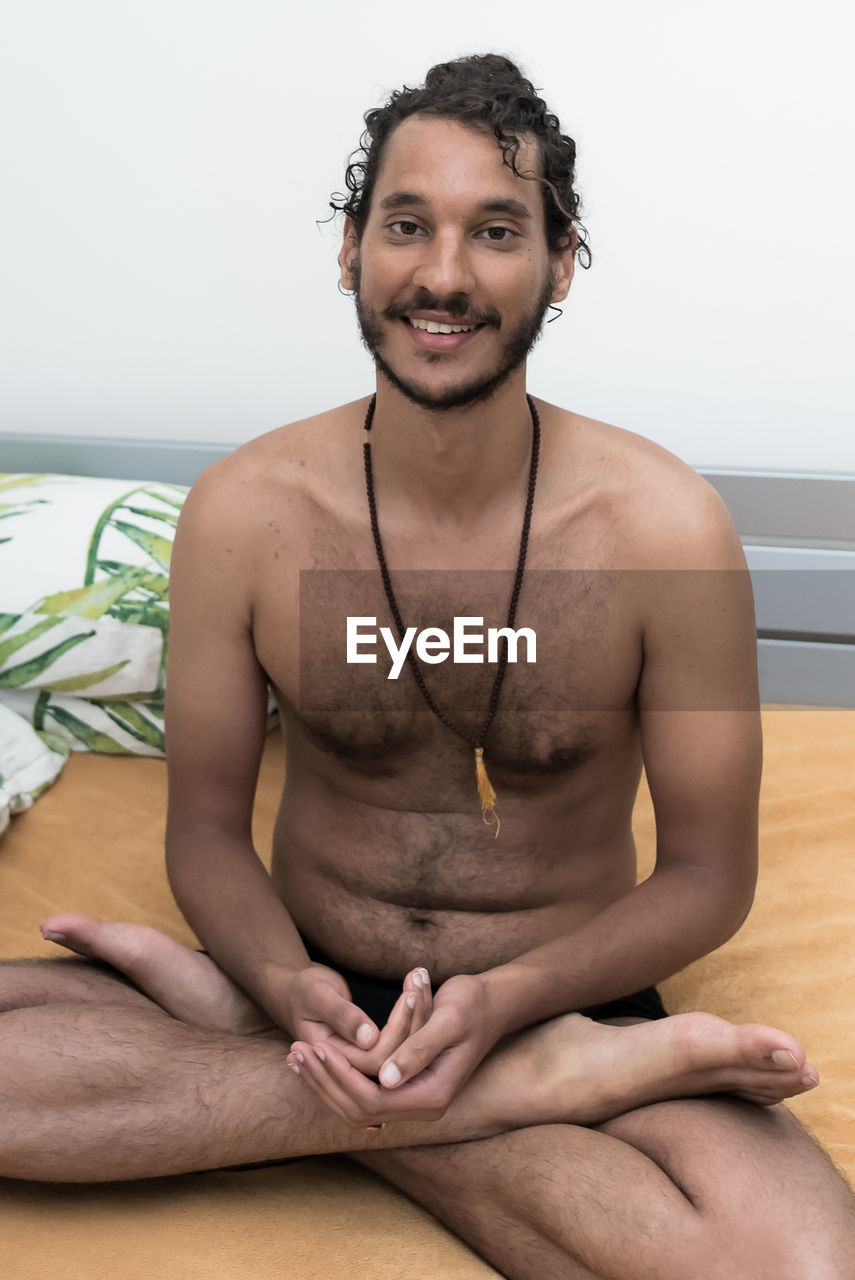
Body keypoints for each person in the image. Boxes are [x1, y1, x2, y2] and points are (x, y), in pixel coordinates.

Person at [5, 53, 854, 1279]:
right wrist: (280, 985)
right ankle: (500, 1089)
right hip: (308, 982)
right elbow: (203, 831)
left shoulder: (667, 529)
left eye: (496, 230)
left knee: (796, 1266)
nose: (443, 274)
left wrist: (511, 1008)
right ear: (351, 248)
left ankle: (284, 1054)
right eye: (408, 224)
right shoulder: (246, 512)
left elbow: (710, 875)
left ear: (561, 264)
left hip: (568, 991)